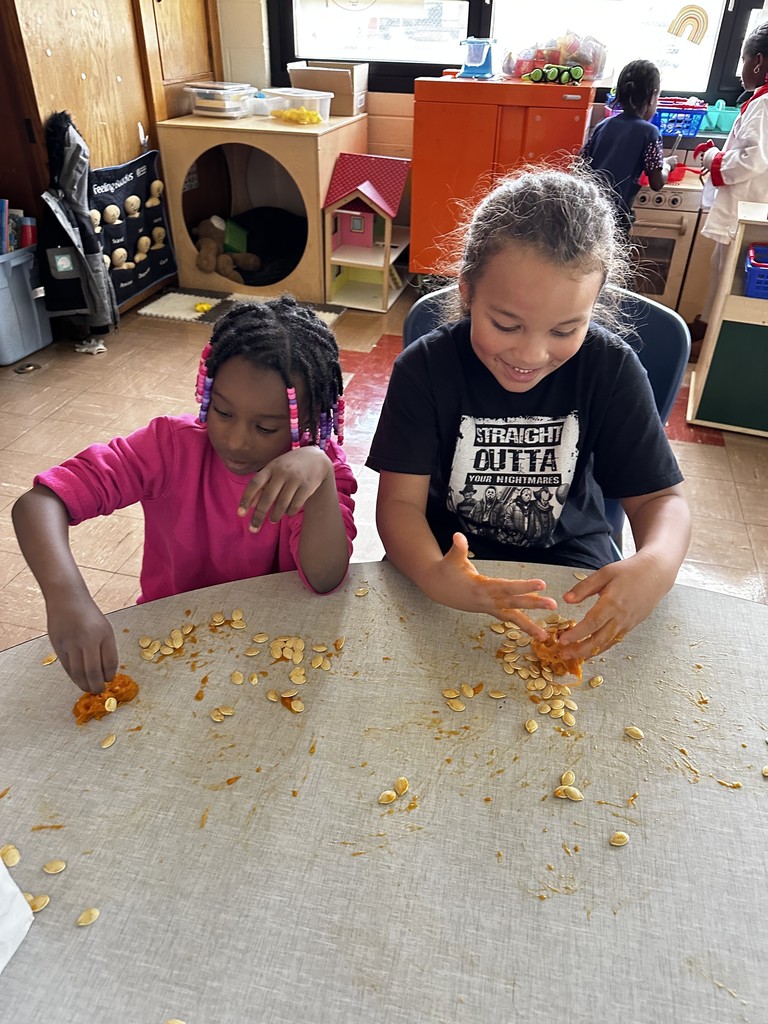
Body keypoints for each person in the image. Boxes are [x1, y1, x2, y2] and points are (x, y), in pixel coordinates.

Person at [366, 166, 691, 661]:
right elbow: (398, 507)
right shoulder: (426, 369)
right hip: (443, 569)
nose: (531, 354)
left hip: (570, 572)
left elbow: (661, 502)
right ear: (467, 292)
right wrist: (435, 576)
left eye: (564, 330)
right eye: (506, 324)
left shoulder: (610, 367)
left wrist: (657, 565)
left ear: (594, 306)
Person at [12, 297, 357, 693]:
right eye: (223, 413)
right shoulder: (169, 447)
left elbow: (326, 578)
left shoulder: (319, 471)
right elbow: (39, 504)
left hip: (276, 651)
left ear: (311, 423)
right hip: (170, 638)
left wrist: (322, 476)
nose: (236, 440)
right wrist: (66, 597)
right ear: (206, 391)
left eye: (265, 428)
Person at [690, 22, 768, 349]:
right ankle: (707, 327)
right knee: (720, 270)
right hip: (749, 209)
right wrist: (718, 155)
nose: (739, 70)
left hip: (747, 213)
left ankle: (712, 341)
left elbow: (752, 160)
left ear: (759, 62)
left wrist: (711, 158)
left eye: (742, 59)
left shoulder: (764, 106)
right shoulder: (759, 102)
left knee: (729, 279)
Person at [581, 59, 678, 236]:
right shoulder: (650, 133)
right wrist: (667, 165)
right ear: (652, 97)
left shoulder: (603, 125)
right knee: (612, 261)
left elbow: (582, 166)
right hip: (616, 219)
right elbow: (657, 182)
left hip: (589, 212)